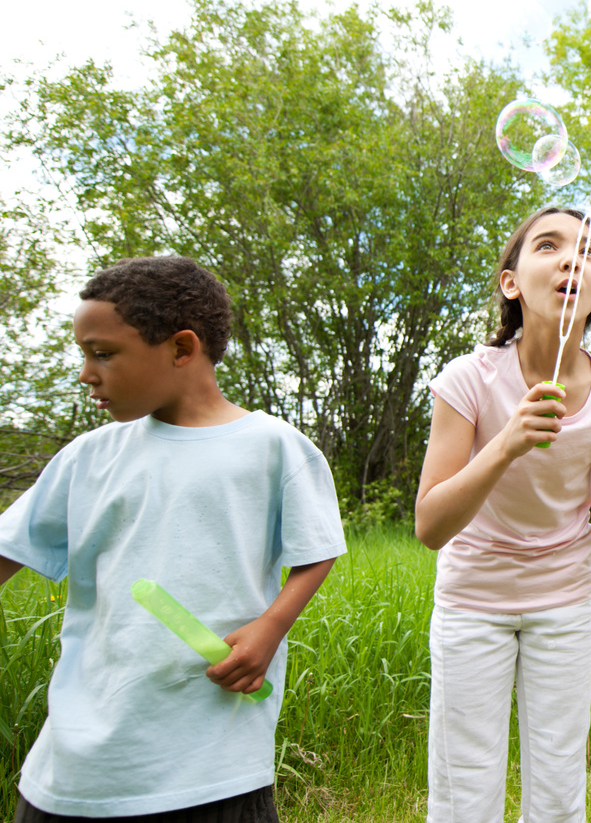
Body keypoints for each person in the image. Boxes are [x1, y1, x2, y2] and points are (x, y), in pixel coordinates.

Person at [0, 256, 347, 822]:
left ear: (182, 349)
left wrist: (270, 627)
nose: (86, 373)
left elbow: (318, 547)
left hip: (215, 759)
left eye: (103, 353)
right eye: (85, 354)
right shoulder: (87, 458)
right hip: (78, 764)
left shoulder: (272, 446)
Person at [415, 207, 591, 823]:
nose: (569, 259)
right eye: (549, 246)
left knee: (559, 788)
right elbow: (430, 525)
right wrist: (505, 443)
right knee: (464, 788)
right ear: (512, 282)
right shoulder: (470, 379)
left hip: (562, 604)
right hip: (472, 602)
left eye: (586, 254)